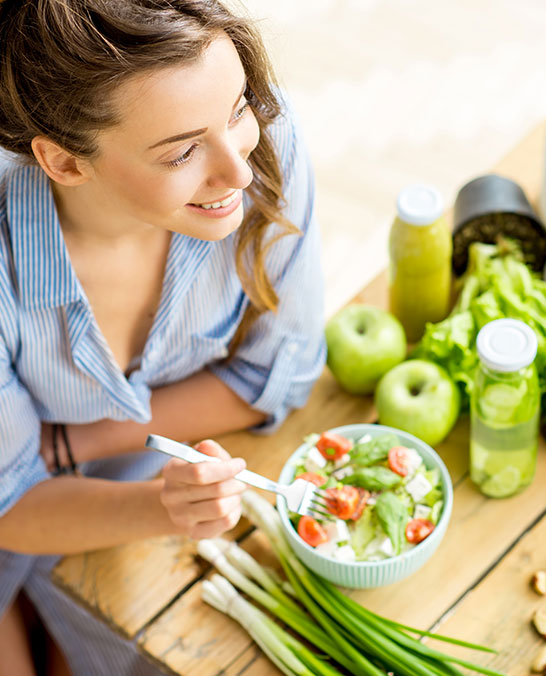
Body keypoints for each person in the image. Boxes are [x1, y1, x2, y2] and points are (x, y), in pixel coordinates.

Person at [0, 1, 326, 674]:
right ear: (63, 163)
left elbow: (280, 375)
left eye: (237, 108)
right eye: (181, 152)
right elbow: (8, 505)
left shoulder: (262, 144)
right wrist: (165, 504)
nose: (240, 171)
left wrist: (77, 442)